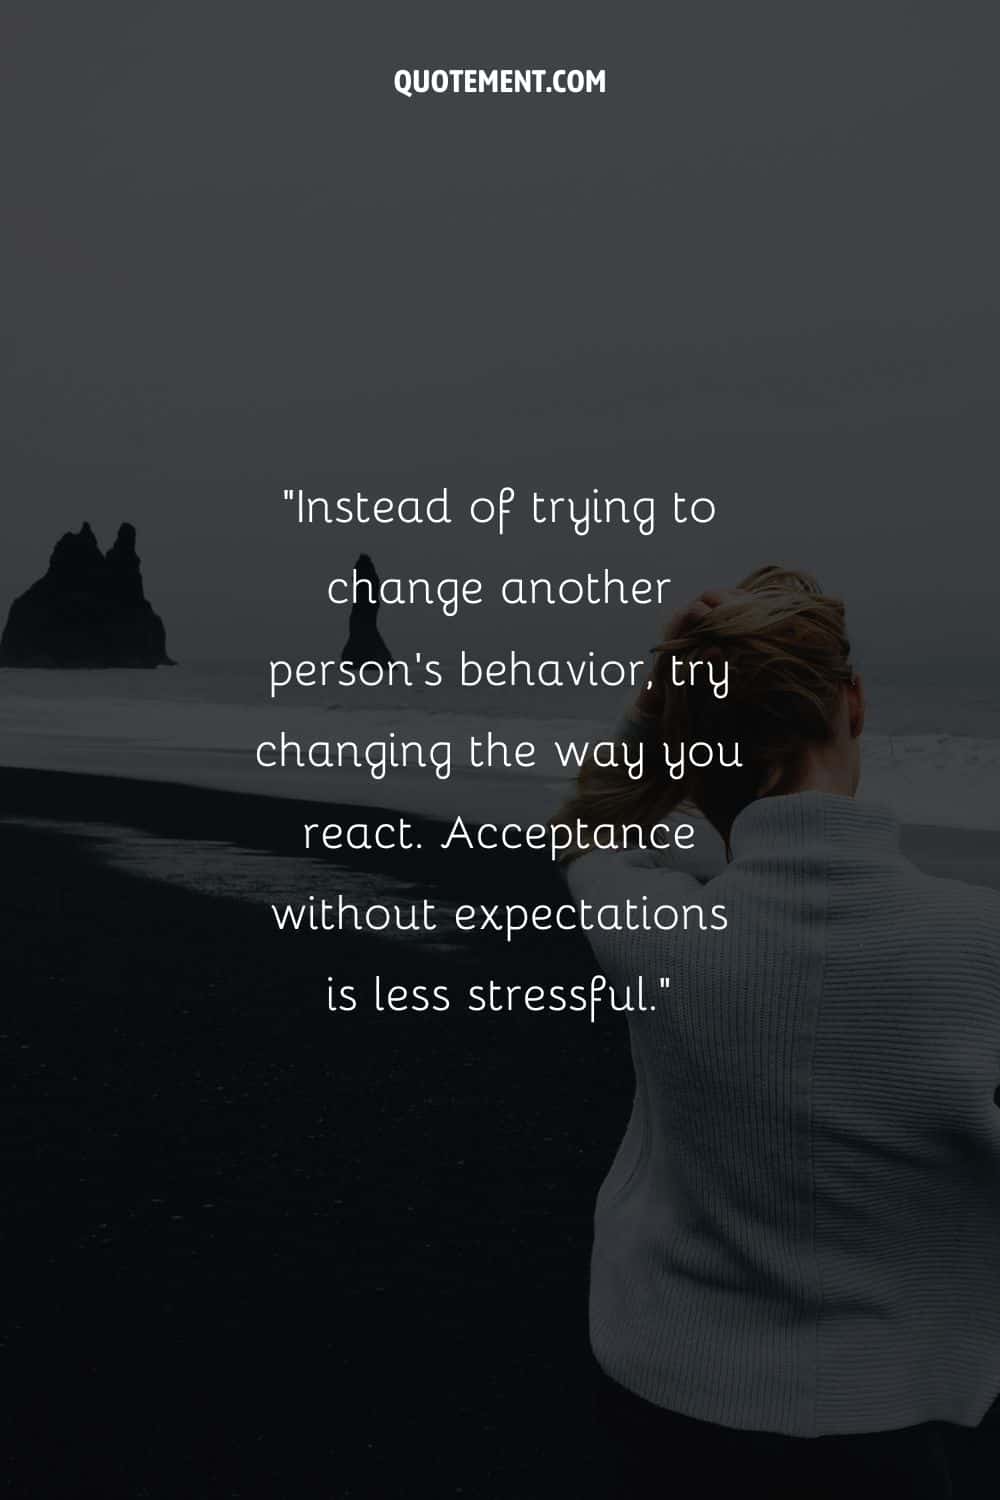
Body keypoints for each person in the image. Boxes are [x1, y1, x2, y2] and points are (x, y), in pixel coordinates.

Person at [552, 567, 1000, 1497]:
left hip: (662, 1394)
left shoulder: (659, 925)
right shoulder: (980, 945)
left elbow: (586, 829)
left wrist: (657, 698)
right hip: (895, 1413)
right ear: (856, 702)